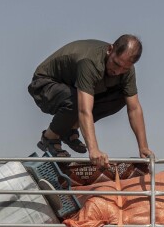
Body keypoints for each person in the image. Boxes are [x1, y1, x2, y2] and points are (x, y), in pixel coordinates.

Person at [28, 35, 153, 168]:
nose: (118, 71)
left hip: (72, 88)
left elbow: (134, 108)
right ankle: (50, 137)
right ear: (110, 50)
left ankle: (69, 128)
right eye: (116, 64)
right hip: (44, 85)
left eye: (125, 68)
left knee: (124, 96)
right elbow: (84, 109)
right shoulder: (90, 61)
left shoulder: (126, 70)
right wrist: (93, 149)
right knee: (76, 100)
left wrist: (143, 147)